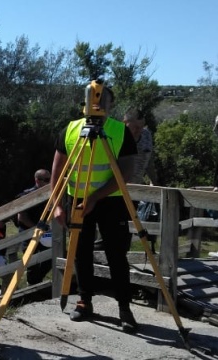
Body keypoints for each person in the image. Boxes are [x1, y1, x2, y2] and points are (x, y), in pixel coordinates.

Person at [51, 85, 139, 333]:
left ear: (111, 105)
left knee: (116, 254)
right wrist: (57, 205)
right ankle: (84, 300)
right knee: (81, 252)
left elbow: (126, 172)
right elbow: (57, 172)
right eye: (93, 100)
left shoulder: (120, 131)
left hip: (110, 200)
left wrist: (95, 198)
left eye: (102, 101)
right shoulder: (70, 130)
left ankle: (124, 307)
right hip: (75, 198)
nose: (97, 106)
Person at [16, 169, 53, 285]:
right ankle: (32, 286)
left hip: (45, 234)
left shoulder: (50, 194)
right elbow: (21, 217)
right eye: (46, 180)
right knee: (32, 263)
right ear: (37, 180)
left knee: (52, 258)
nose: (49, 182)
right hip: (29, 234)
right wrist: (37, 227)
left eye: (50, 179)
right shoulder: (27, 195)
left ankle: (36, 282)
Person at [123, 108, 159, 185]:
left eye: (141, 127)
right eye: (135, 127)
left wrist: (155, 184)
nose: (139, 131)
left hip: (137, 188)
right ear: (125, 123)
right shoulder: (116, 138)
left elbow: (149, 162)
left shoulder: (146, 135)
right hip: (118, 189)